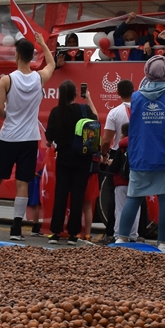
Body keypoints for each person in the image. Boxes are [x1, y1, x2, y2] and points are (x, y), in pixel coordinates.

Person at [0, 34, 56, 240]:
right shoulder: (39, 78)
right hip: (29, 138)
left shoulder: (6, 79)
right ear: (32, 57)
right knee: (23, 183)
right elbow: (52, 63)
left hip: (8, 136)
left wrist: (9, 117)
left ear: (17, 55)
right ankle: (16, 228)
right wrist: (43, 44)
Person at [117, 55, 165, 253]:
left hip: (141, 156)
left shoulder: (135, 97)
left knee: (133, 197)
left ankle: (121, 238)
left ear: (147, 73)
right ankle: (163, 244)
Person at [45, 80, 99, 244]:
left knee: (60, 194)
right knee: (78, 196)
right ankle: (73, 234)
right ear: (76, 94)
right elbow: (96, 121)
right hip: (82, 159)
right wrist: (88, 99)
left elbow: (49, 139)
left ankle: (55, 232)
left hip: (63, 158)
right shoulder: (83, 109)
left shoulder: (56, 112)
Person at [99, 79, 134, 241]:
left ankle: (113, 233)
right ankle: (135, 234)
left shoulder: (114, 112)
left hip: (118, 156)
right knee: (137, 196)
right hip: (138, 155)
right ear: (133, 91)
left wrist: (103, 155)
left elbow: (106, 140)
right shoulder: (141, 110)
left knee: (116, 196)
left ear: (118, 93)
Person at [109, 123, 139, 241]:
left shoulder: (121, 147)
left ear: (122, 134)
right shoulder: (138, 145)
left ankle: (119, 234)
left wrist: (110, 164)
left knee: (120, 209)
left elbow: (114, 167)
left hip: (121, 182)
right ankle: (132, 235)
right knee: (136, 209)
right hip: (136, 182)